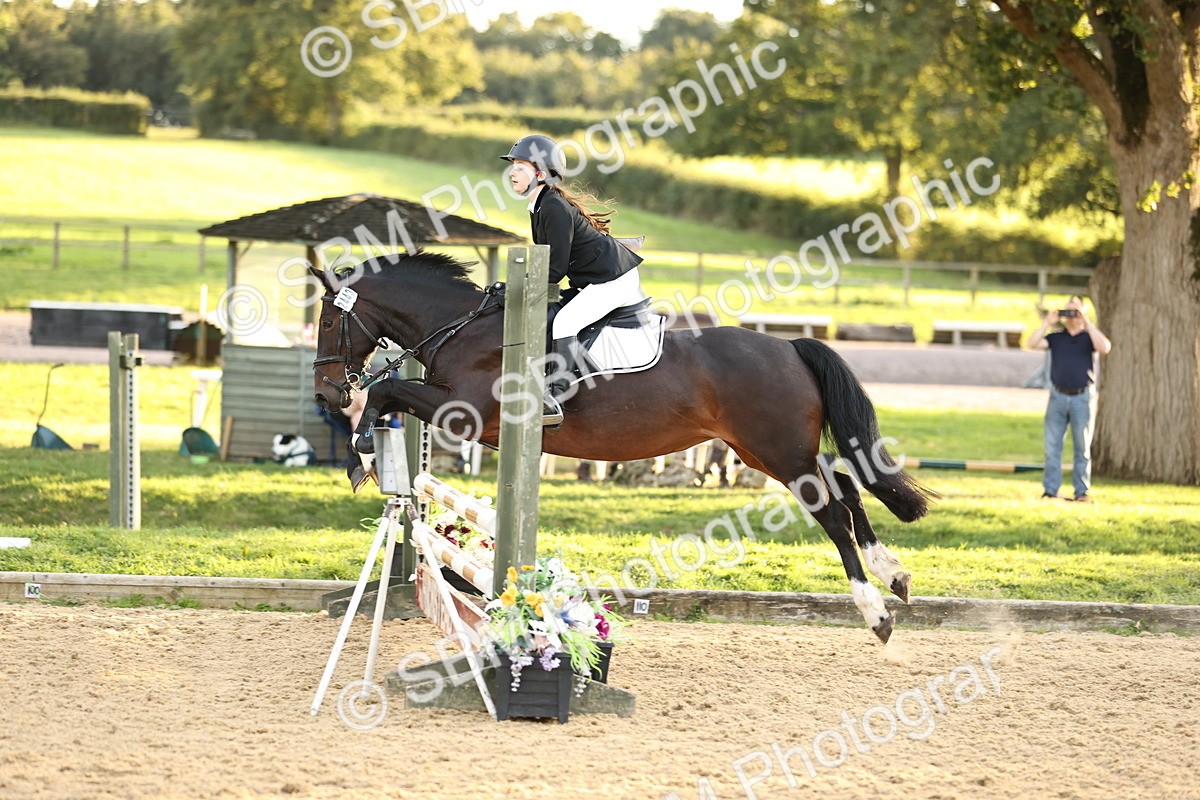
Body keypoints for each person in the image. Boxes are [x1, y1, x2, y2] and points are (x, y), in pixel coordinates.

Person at [500, 134, 646, 425]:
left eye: (520, 166)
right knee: (555, 317)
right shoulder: (540, 205)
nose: (512, 172)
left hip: (613, 280)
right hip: (592, 280)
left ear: (540, 173)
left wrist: (519, 288)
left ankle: (554, 397)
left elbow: (554, 269)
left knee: (565, 322)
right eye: (513, 166)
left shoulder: (552, 206)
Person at [1025, 295, 1112, 502]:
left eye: (1075, 311)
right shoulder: (1056, 337)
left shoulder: (1088, 337)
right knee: (1052, 446)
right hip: (1057, 396)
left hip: (1082, 397)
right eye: (1068, 311)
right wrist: (1047, 323)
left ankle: (1081, 492)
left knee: (1082, 447)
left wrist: (1087, 322)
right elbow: (1032, 343)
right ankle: (1051, 491)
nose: (1072, 316)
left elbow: (1105, 347)